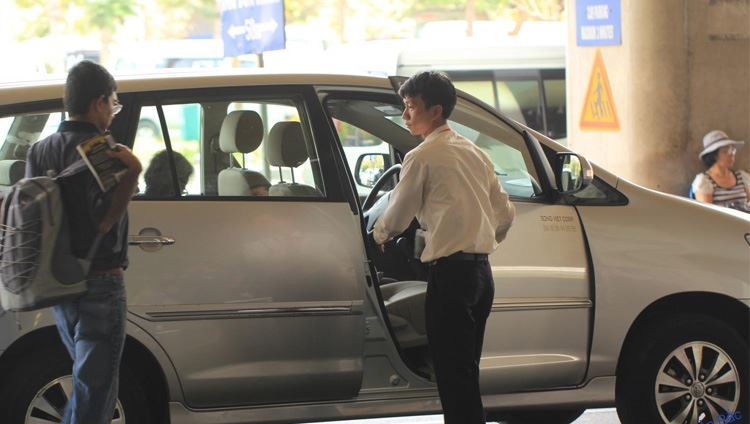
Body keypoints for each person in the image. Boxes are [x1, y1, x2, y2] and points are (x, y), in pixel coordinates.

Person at [371, 71, 515, 423]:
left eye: (410, 107)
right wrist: (477, 240)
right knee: (466, 371)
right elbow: (505, 214)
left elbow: (397, 216)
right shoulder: (474, 152)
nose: (405, 115)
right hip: (481, 276)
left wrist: (378, 236)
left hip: (450, 277)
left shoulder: (422, 157)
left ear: (435, 111)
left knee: (453, 376)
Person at [25, 60, 142, 424]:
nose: (112, 112)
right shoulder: (102, 150)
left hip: (58, 284)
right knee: (96, 390)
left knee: (87, 381)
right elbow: (106, 220)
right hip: (100, 283)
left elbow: (32, 218)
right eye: (113, 103)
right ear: (98, 103)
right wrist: (133, 173)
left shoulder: (39, 151)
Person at [692, 129, 749, 212]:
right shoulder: (704, 181)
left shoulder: (742, 177)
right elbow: (706, 214)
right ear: (714, 155)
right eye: (726, 151)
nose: (731, 155)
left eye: (732, 150)